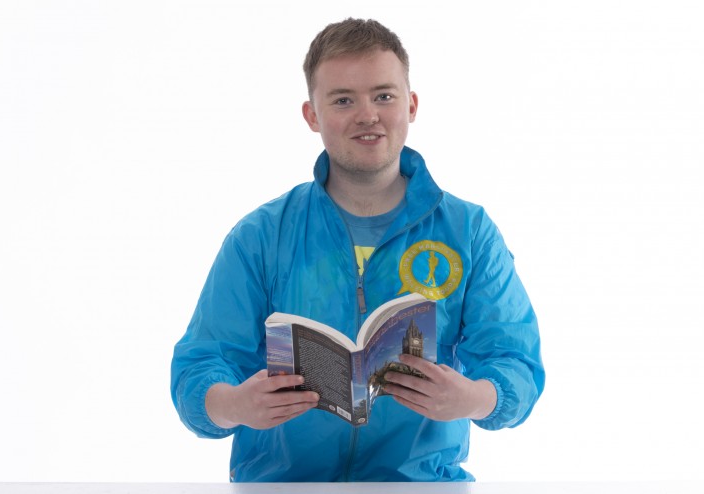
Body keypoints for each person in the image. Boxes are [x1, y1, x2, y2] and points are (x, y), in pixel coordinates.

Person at [171, 18, 544, 482]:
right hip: (281, 488)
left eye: (383, 96)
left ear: (410, 105)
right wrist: (232, 405)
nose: (367, 114)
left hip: (423, 486)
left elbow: (516, 362)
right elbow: (198, 368)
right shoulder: (260, 236)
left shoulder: (469, 232)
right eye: (343, 99)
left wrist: (475, 399)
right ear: (312, 115)